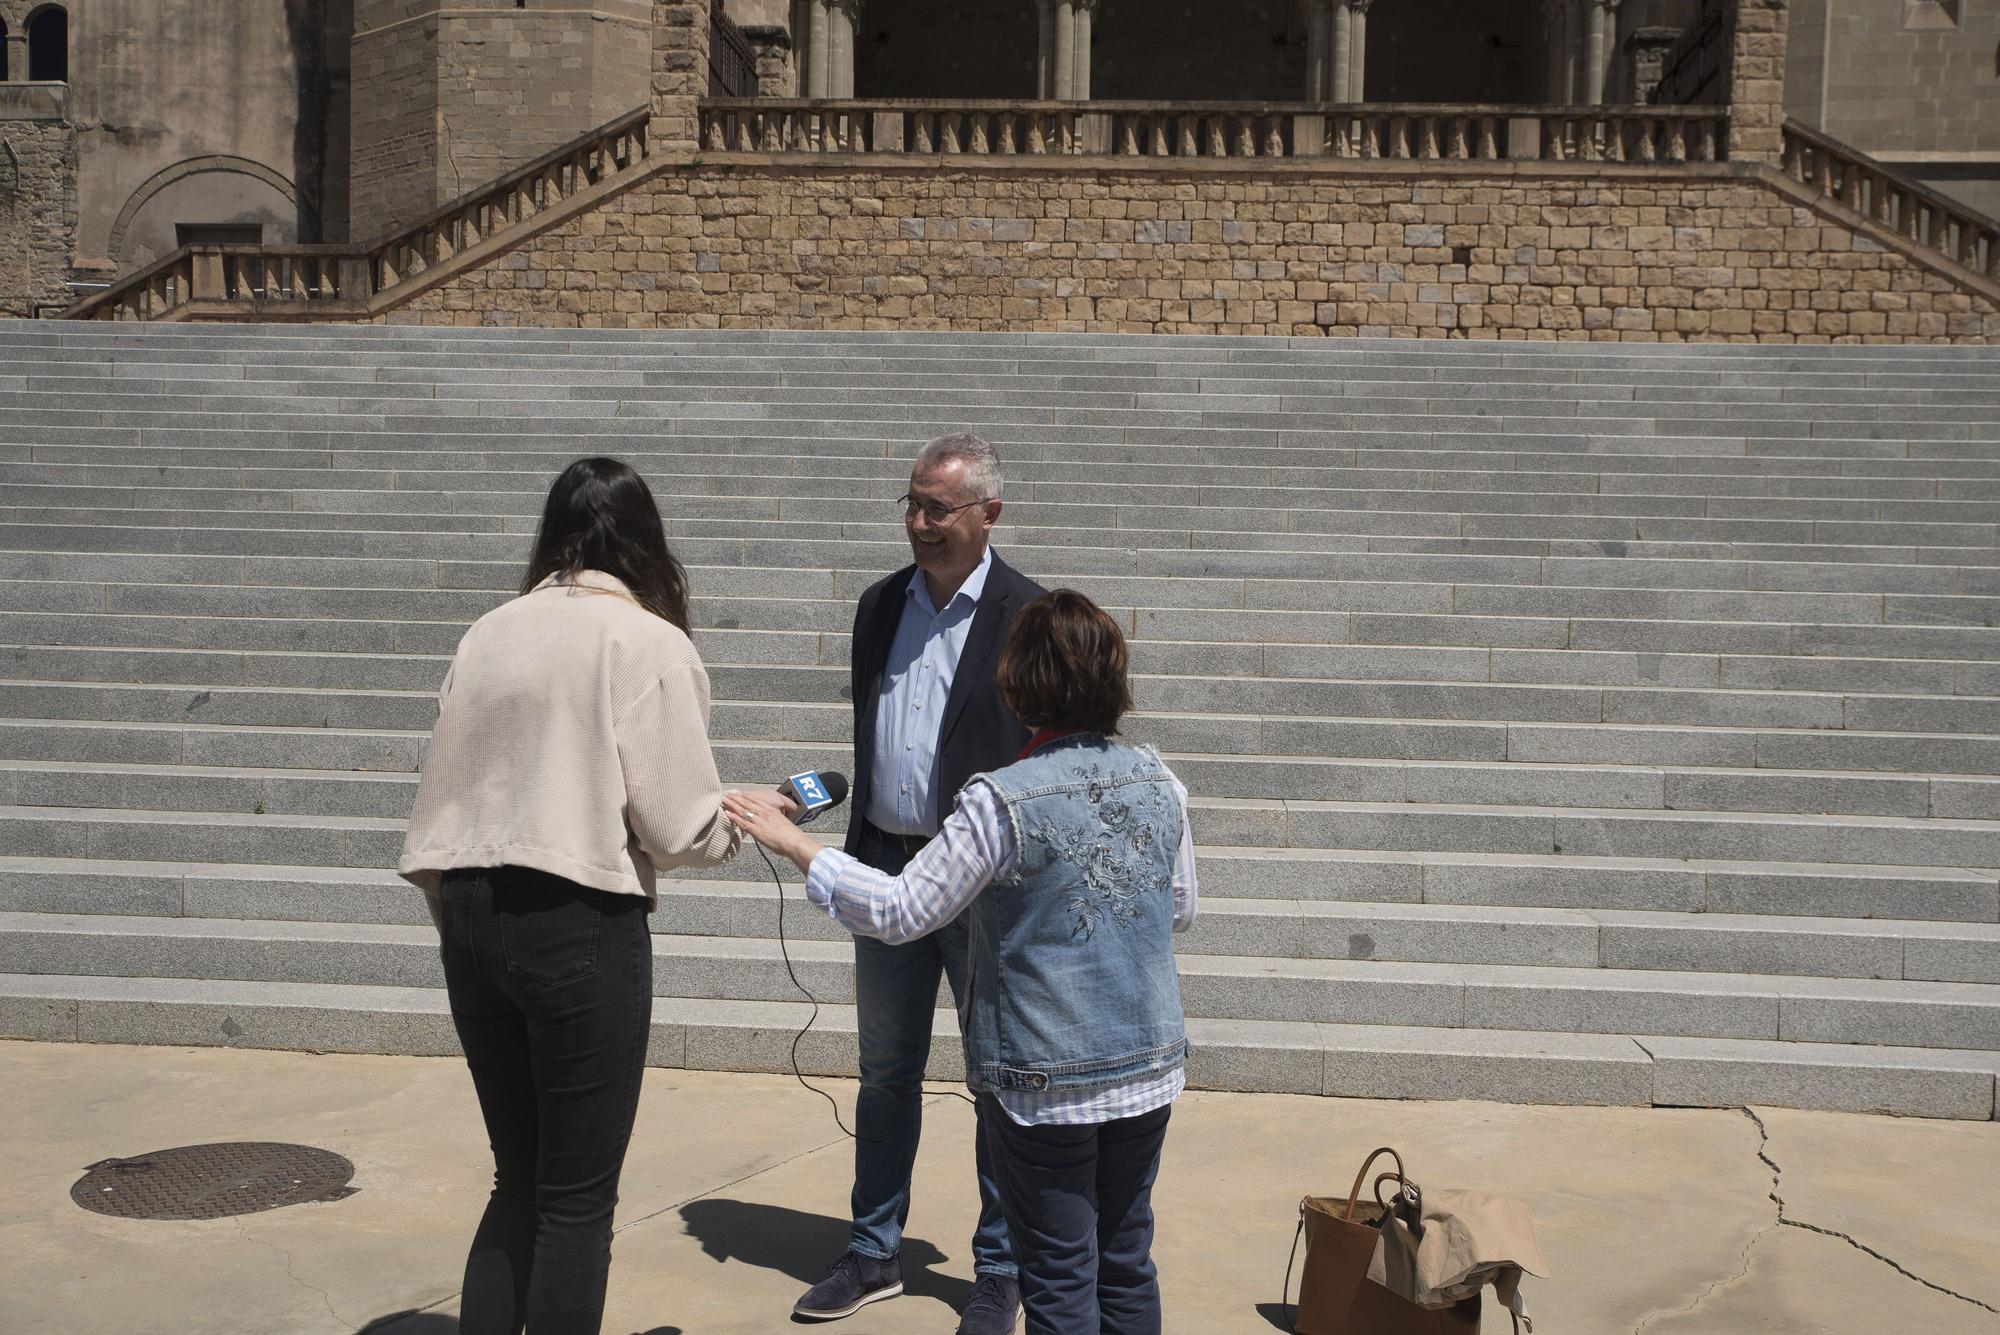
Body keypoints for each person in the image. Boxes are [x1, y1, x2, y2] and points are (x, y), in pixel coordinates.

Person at [726, 589, 1197, 1335]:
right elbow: (1176, 906)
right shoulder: (1161, 780)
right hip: (1147, 1063)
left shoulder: (1000, 800)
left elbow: (901, 910)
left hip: (1048, 1079)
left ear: (1021, 684)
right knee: (1126, 1259)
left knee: (1061, 1276)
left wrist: (799, 847)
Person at [398, 457, 741, 1335]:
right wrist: (741, 820)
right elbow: (677, 828)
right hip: (578, 917)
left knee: (519, 1179)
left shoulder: (490, 631)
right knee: (577, 1201)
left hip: (469, 909)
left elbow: (441, 792)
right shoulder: (645, 641)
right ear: (648, 544)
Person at [794, 433, 1046, 1332]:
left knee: (998, 1078)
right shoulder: (877, 606)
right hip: (885, 864)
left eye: (937, 508)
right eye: (910, 503)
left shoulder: (1030, 614)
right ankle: (872, 1251)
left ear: (989, 515)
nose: (919, 523)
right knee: (884, 1071)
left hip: (982, 882)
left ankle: (1002, 1269)